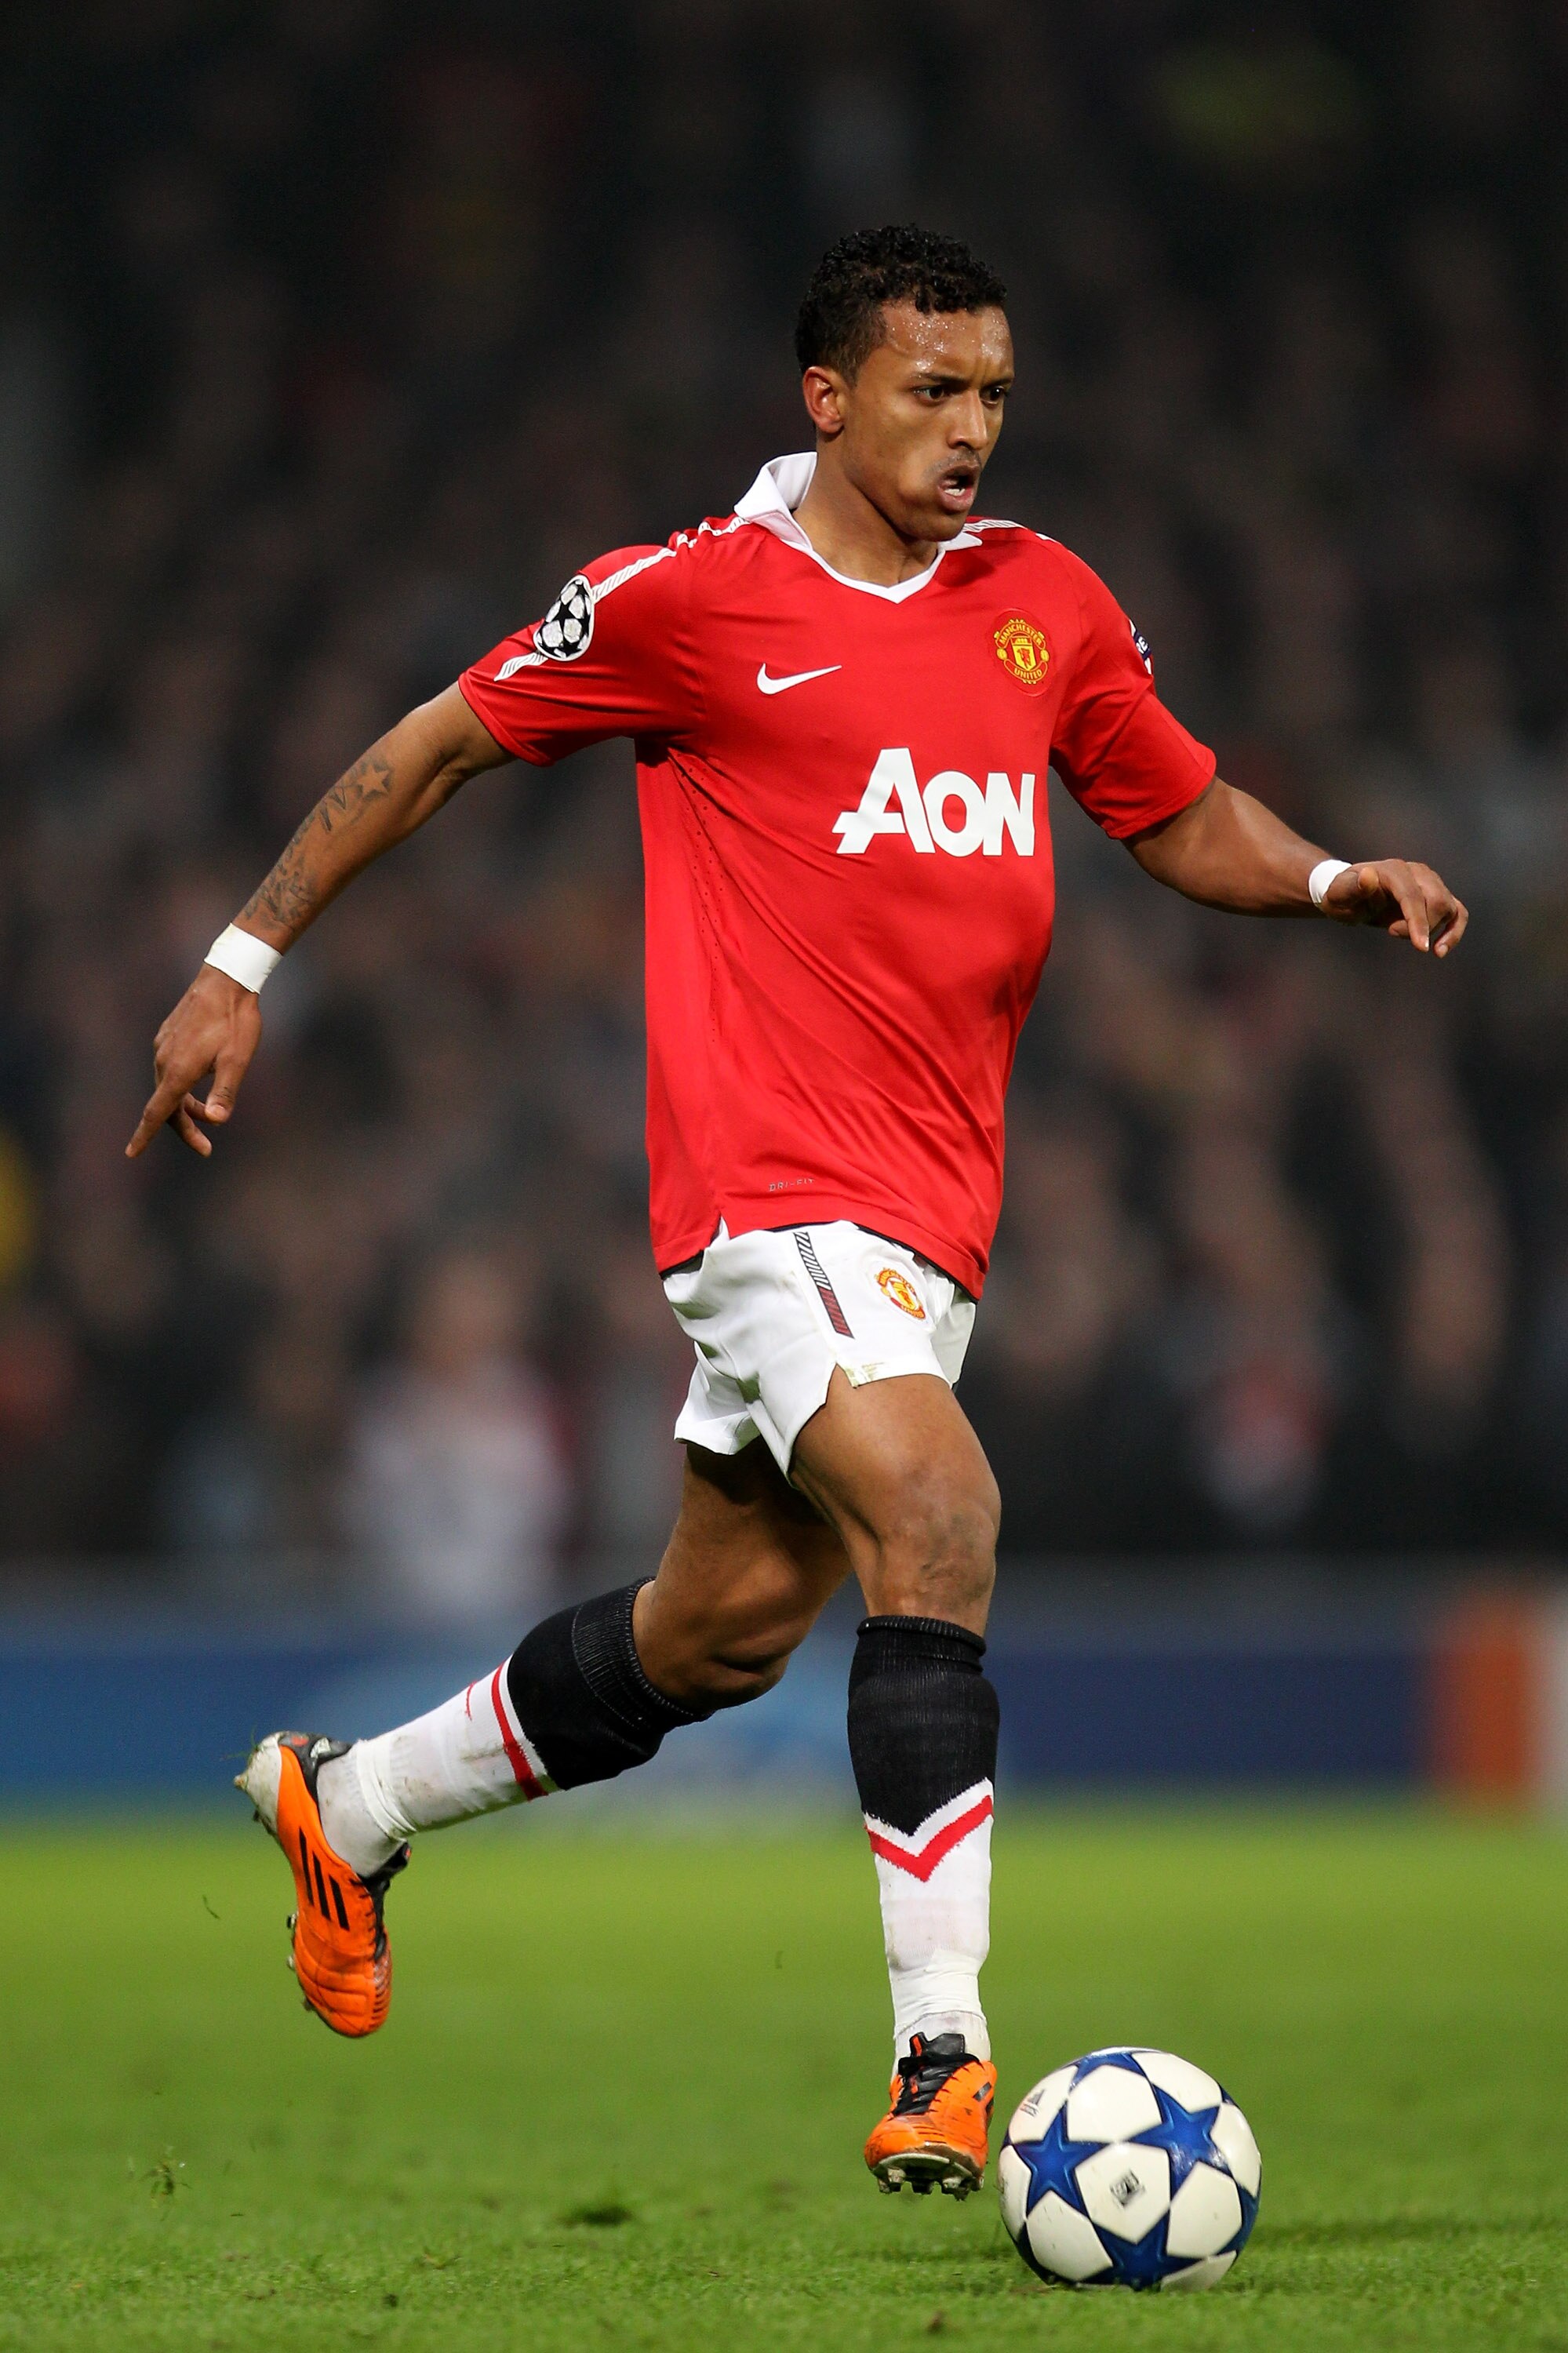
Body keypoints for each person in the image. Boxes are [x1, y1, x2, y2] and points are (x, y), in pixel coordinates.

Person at [129, 226, 1467, 2199]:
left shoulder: (1044, 603)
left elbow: (1171, 806)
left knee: (722, 1634)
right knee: (941, 1513)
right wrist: (239, 962)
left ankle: (354, 1805)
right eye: (933, 390)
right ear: (827, 399)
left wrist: (1333, 875)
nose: (972, 428)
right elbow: (432, 751)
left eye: (993, 392)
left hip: (932, 1221)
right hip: (766, 1195)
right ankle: (945, 2054)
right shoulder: (689, 601)